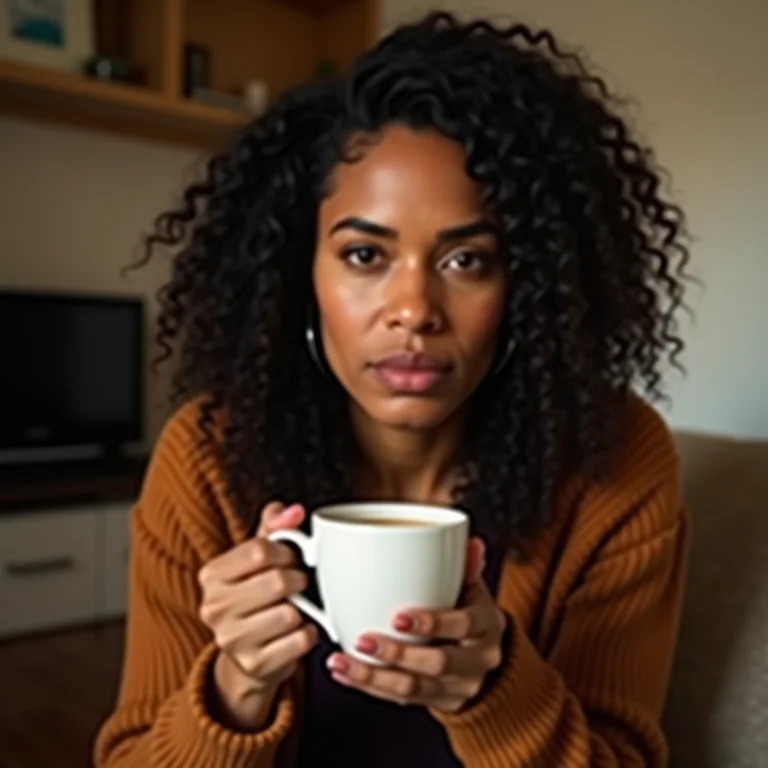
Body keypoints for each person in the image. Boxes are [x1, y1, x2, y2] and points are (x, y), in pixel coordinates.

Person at [95, 11, 691, 767]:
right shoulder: (209, 457)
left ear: (530, 285)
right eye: (365, 254)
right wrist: (233, 686)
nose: (413, 311)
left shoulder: (614, 461)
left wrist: (492, 692)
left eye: (467, 260)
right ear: (299, 276)